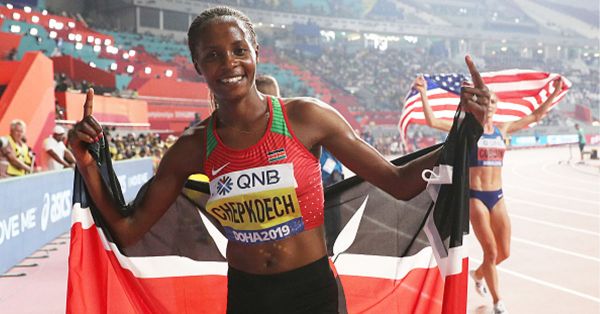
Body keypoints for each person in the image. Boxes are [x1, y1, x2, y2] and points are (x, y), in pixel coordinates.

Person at [70, 6, 491, 313]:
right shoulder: (192, 147)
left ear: (255, 51)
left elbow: (399, 182)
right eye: (212, 55)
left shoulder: (305, 118)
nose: (229, 63)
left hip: (312, 291)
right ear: (197, 64)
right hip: (248, 296)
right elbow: (127, 229)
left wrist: (464, 133)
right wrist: (88, 164)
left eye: (238, 50)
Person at [412, 74, 564, 314]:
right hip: (476, 197)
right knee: (491, 252)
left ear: (496, 105)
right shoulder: (469, 131)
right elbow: (432, 121)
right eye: (487, 102)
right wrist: (422, 92)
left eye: (493, 102)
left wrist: (554, 93)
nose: (490, 106)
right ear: (481, 105)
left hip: (498, 196)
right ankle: (497, 302)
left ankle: (479, 273)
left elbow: (535, 116)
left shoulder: (503, 129)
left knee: (504, 252)